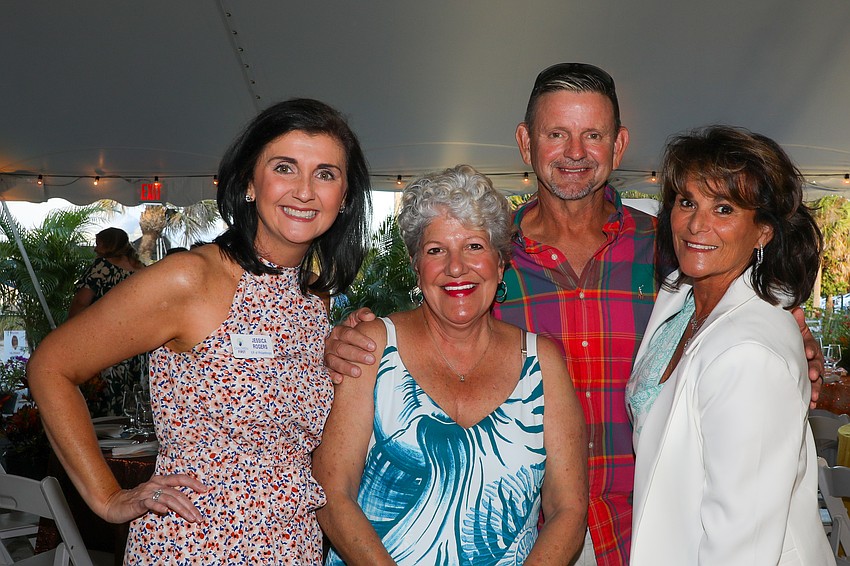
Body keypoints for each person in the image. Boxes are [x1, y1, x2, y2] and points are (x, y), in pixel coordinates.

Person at [324, 63, 825, 565]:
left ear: (619, 145)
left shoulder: (673, 251)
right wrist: (350, 338)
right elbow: (432, 321)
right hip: (541, 540)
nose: (575, 153)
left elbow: (741, 301)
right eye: (556, 134)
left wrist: (789, 327)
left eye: (593, 135)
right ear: (525, 143)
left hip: (660, 530)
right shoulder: (491, 256)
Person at [27, 98, 371, 563]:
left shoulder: (313, 298)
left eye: (325, 174)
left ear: (345, 196)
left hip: (293, 545)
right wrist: (107, 498)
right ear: (251, 182)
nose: (305, 191)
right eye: (285, 167)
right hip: (196, 546)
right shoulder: (192, 278)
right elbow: (51, 366)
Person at [314, 164, 588, 564]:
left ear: (500, 263)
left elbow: (569, 509)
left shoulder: (543, 362)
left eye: (474, 247)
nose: (455, 267)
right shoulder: (370, 348)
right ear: (416, 265)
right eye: (436, 250)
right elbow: (331, 492)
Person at [627, 125, 833, 564]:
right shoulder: (679, 299)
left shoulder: (751, 353)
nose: (697, 224)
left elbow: (743, 544)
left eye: (724, 208)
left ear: (763, 231)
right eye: (687, 202)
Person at [68, 227, 147, 416]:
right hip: (138, 344)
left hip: (106, 341)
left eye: (99, 244)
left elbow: (81, 302)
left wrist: (70, 330)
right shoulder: (141, 270)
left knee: (107, 397)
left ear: (109, 244)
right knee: (132, 396)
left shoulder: (102, 267)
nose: (95, 249)